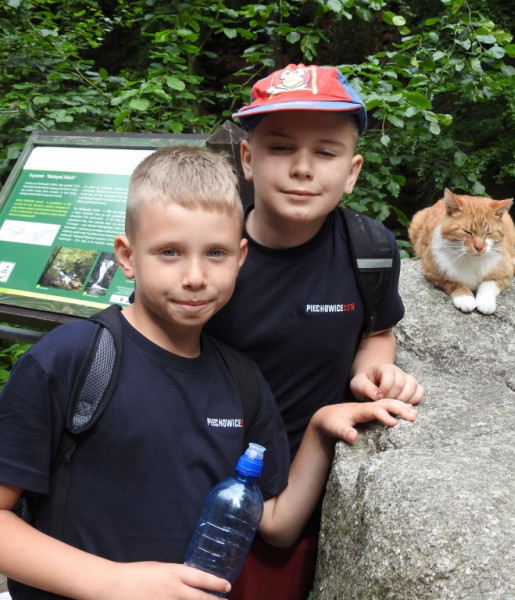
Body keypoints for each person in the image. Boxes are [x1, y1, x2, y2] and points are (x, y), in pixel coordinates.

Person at [0, 145, 417, 600]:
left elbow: (276, 525)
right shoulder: (72, 358)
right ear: (127, 256)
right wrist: (116, 583)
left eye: (216, 253)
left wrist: (320, 430)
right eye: (170, 252)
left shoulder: (242, 382)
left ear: (241, 257)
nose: (195, 276)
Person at [204, 63, 425, 599]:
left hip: (303, 503)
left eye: (326, 152)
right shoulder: (207, 253)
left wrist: (374, 371)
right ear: (248, 159)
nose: (302, 168)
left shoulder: (368, 250)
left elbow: (376, 330)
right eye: (281, 148)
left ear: (351, 172)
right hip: (196, 490)